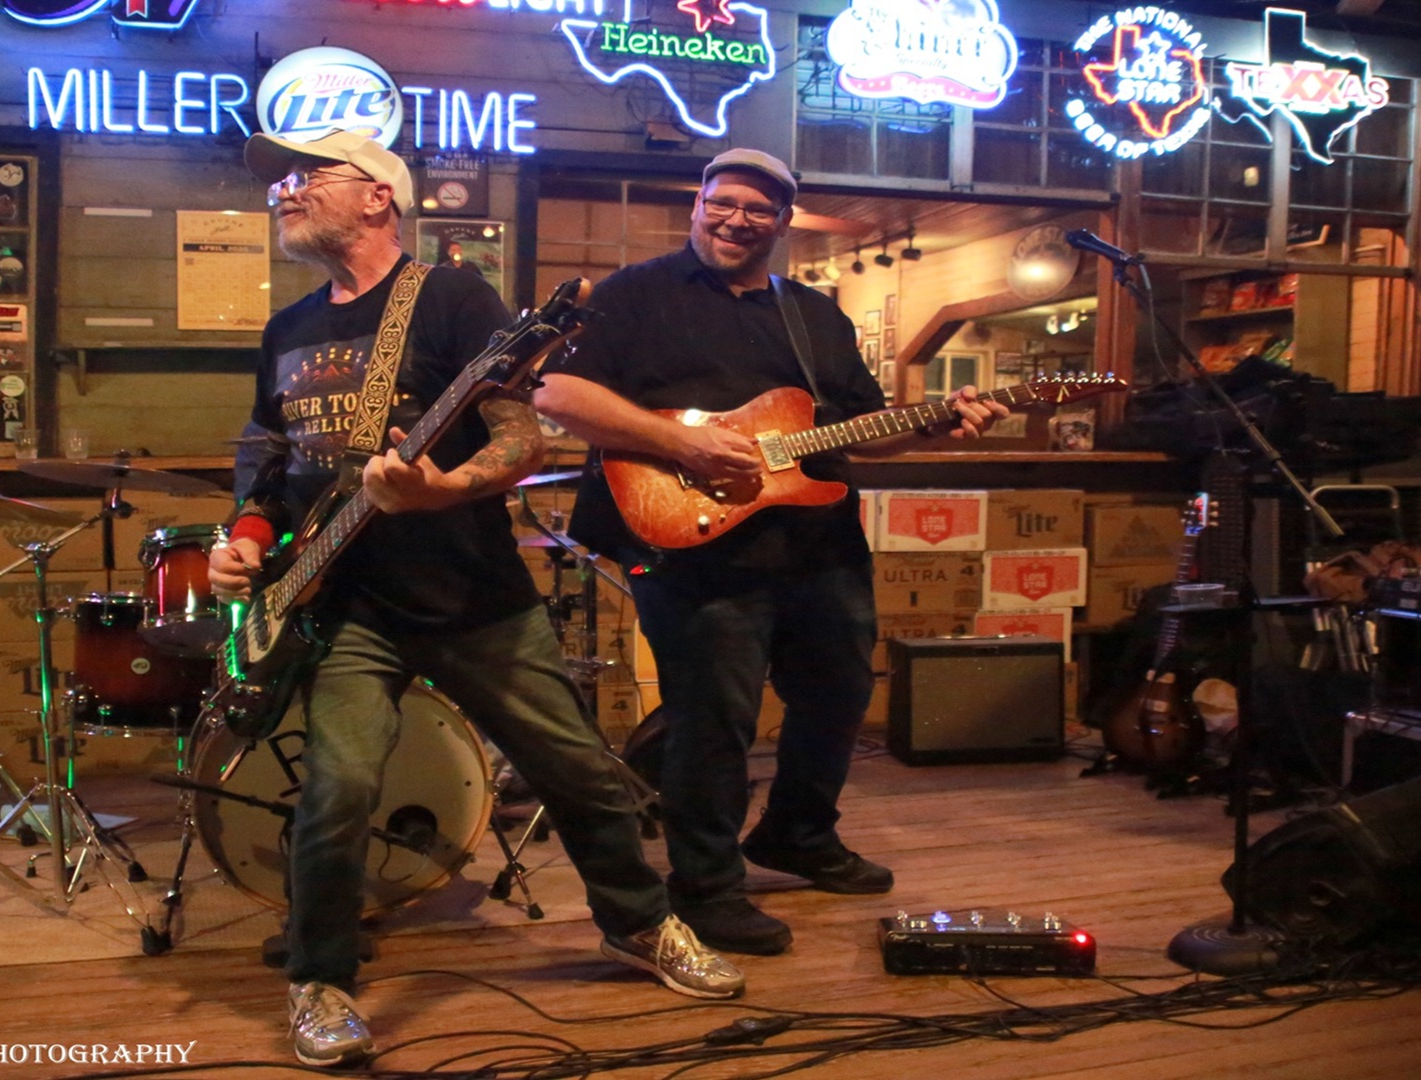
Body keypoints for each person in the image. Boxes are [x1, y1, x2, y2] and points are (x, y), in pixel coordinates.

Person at [212, 130, 744, 1068]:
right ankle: (321, 977)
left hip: (473, 597)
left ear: (379, 197)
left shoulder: (452, 299)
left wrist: (443, 491)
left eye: (305, 175)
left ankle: (638, 924)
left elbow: (521, 440)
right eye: (280, 180)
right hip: (343, 605)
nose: (283, 191)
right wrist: (249, 540)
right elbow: (268, 457)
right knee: (335, 792)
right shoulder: (286, 328)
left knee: (579, 772)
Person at [532, 148, 1008, 956]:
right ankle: (707, 886)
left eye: (758, 210)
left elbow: (866, 431)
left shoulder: (814, 314)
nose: (736, 219)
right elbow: (553, 390)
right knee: (713, 718)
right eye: (723, 202)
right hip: (688, 545)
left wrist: (931, 420)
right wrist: (681, 447)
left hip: (818, 542)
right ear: (698, 204)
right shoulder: (634, 295)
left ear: (783, 223)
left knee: (840, 694)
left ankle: (798, 832)